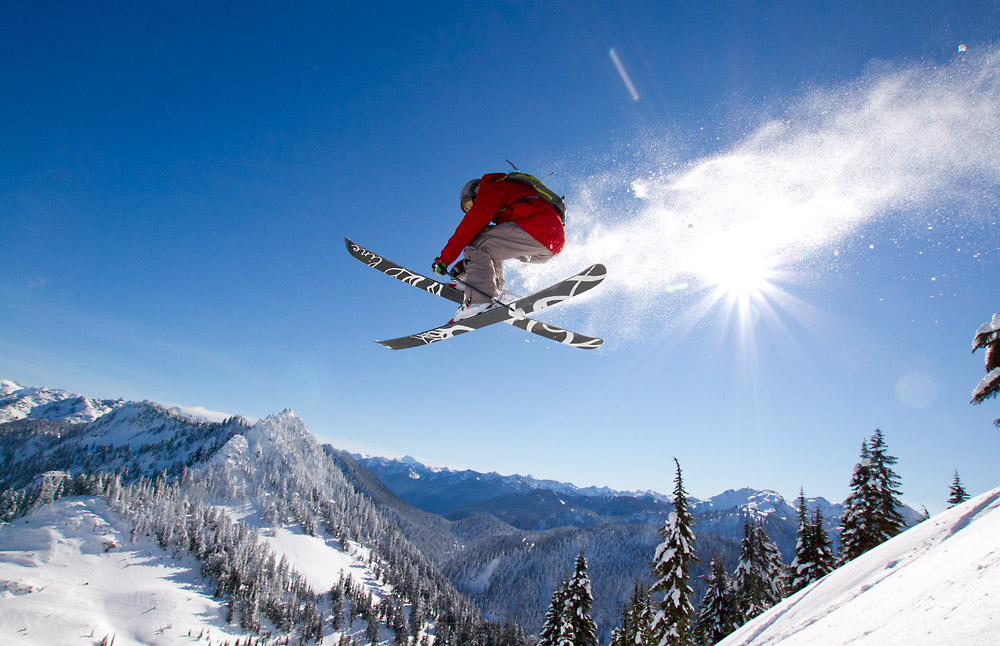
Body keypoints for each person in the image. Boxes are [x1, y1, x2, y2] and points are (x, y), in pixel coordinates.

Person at [432, 172, 566, 322]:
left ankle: (480, 300)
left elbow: (468, 227)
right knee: (486, 244)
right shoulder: (507, 199)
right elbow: (491, 247)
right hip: (549, 242)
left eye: (470, 204)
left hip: (540, 231)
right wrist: (463, 267)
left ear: (475, 191)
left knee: (479, 244)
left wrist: (445, 259)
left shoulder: (491, 190)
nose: (471, 208)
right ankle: (485, 288)